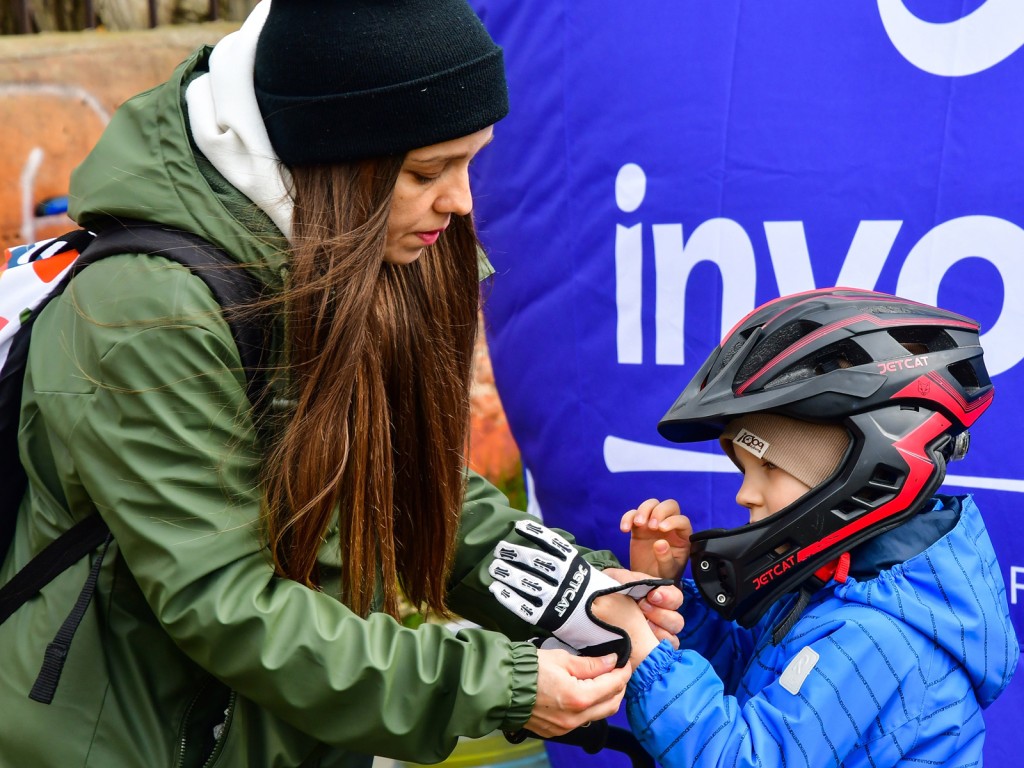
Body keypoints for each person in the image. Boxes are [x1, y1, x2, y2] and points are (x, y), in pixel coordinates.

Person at [0, 1, 684, 766]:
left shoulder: (346, 252)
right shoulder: (145, 314)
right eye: (428, 171)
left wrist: (582, 597)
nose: (461, 201)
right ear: (331, 159)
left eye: (471, 162)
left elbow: (410, 492)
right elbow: (223, 604)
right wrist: (499, 685)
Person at [491, 288, 1019, 766]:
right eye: (743, 469)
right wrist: (671, 605)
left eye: (767, 466)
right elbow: (751, 682)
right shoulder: (838, 585)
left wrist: (645, 651)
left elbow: (743, 758)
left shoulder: (881, 638)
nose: (745, 493)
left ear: (858, 468)